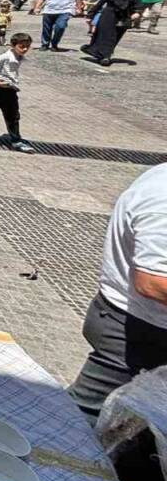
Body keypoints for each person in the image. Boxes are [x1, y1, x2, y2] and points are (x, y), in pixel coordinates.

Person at [68, 164, 167, 421]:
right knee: (80, 423)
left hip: (142, 327)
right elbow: (153, 281)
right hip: (136, 332)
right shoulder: (162, 196)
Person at [82, 0, 142, 66]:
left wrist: (137, 13)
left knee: (115, 37)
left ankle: (102, 54)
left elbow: (138, 5)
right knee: (105, 35)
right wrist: (90, 16)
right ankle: (105, 57)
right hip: (108, 16)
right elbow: (100, 4)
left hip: (123, 17)